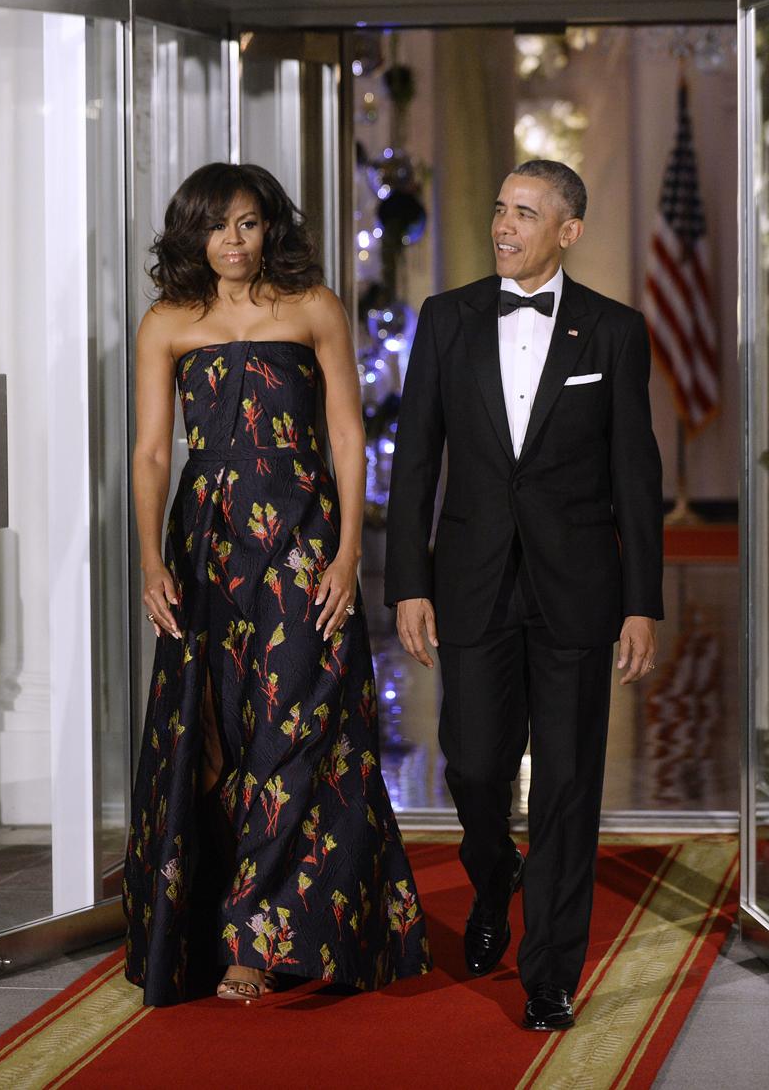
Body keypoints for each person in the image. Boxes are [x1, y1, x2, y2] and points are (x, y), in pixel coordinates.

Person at [123, 162, 431, 1007]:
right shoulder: (167, 323)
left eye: (249, 223)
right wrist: (150, 558)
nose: (233, 241)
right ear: (193, 232)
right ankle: (217, 915)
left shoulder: (313, 306)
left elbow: (345, 431)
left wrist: (344, 557)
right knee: (216, 732)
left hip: (301, 541)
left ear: (271, 229)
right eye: (217, 225)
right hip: (205, 549)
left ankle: (257, 938)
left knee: (295, 726)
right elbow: (153, 453)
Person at [385, 159, 663, 1031]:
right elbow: (417, 459)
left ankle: (549, 973)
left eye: (525, 213)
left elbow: (636, 476)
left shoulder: (614, 332)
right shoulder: (447, 318)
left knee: (569, 785)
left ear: (568, 231)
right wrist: (408, 584)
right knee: (471, 762)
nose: (503, 225)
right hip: (469, 584)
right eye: (500, 207)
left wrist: (643, 601)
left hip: (579, 590)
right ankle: (492, 869)